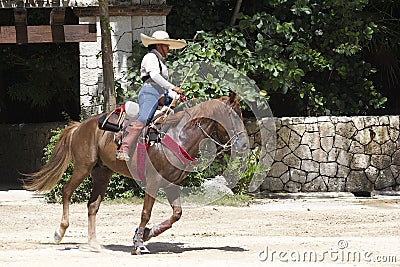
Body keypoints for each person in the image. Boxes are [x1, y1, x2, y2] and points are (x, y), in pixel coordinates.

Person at [116, 30, 187, 161]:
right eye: (166, 45)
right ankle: (124, 148)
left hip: (161, 94)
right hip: (150, 92)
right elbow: (154, 76)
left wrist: (176, 95)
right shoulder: (150, 57)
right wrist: (173, 87)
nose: (168, 48)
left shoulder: (160, 60)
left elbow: (162, 85)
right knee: (144, 118)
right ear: (159, 45)